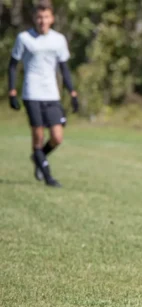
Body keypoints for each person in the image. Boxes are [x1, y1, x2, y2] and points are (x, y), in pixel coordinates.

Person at [8, 0, 79, 188]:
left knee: (57, 137)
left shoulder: (59, 40)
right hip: (32, 92)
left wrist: (72, 93)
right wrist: (12, 91)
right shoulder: (24, 38)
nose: (42, 20)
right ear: (34, 18)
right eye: (39, 17)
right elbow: (13, 65)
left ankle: (38, 158)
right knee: (38, 136)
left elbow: (64, 68)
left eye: (46, 16)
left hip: (52, 94)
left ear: (52, 18)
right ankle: (48, 176)